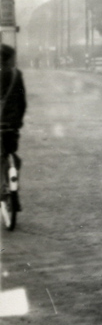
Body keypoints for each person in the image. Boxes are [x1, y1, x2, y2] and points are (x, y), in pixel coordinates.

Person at [1, 44, 25, 211]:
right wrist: (18, 120)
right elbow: (22, 103)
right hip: (11, 125)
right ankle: (14, 194)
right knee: (12, 156)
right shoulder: (17, 75)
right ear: (9, 59)